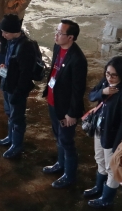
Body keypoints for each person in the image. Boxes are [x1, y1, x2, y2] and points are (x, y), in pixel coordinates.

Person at [42, 19, 88, 189]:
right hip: (53, 102)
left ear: (71, 37)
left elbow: (78, 90)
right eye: (56, 31)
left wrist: (72, 113)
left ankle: (69, 175)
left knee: (67, 141)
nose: (56, 35)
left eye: (60, 33)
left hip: (66, 110)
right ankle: (60, 165)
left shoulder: (78, 60)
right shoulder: (57, 47)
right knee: (58, 136)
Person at [85, 57, 122, 208]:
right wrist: (103, 92)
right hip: (99, 131)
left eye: (114, 75)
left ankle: (107, 198)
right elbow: (91, 95)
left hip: (112, 137)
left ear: (121, 75)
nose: (109, 77)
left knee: (111, 168)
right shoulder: (105, 83)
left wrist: (117, 146)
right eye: (107, 73)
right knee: (99, 159)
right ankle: (99, 188)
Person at [0, 14, 36, 159]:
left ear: (13, 31)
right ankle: (10, 138)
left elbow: (25, 74)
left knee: (17, 117)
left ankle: (17, 145)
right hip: (8, 85)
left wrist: (19, 92)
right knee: (9, 114)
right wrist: (4, 68)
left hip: (16, 89)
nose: (3, 35)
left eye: (5, 32)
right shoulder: (11, 42)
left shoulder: (25, 47)